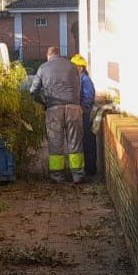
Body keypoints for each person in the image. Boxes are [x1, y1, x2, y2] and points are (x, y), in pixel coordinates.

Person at [29, 46, 85, 184]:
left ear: (48, 56)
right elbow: (79, 86)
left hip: (53, 109)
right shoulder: (73, 66)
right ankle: (77, 175)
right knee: (75, 142)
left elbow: (33, 91)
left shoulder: (43, 67)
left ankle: (57, 176)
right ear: (59, 54)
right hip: (74, 108)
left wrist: (43, 103)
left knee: (55, 143)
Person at [72, 53, 97, 175]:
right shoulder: (80, 79)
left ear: (80, 68)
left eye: (74, 66)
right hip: (82, 113)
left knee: (87, 142)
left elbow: (88, 97)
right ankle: (87, 168)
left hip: (86, 115)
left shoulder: (85, 80)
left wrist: (82, 108)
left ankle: (90, 169)